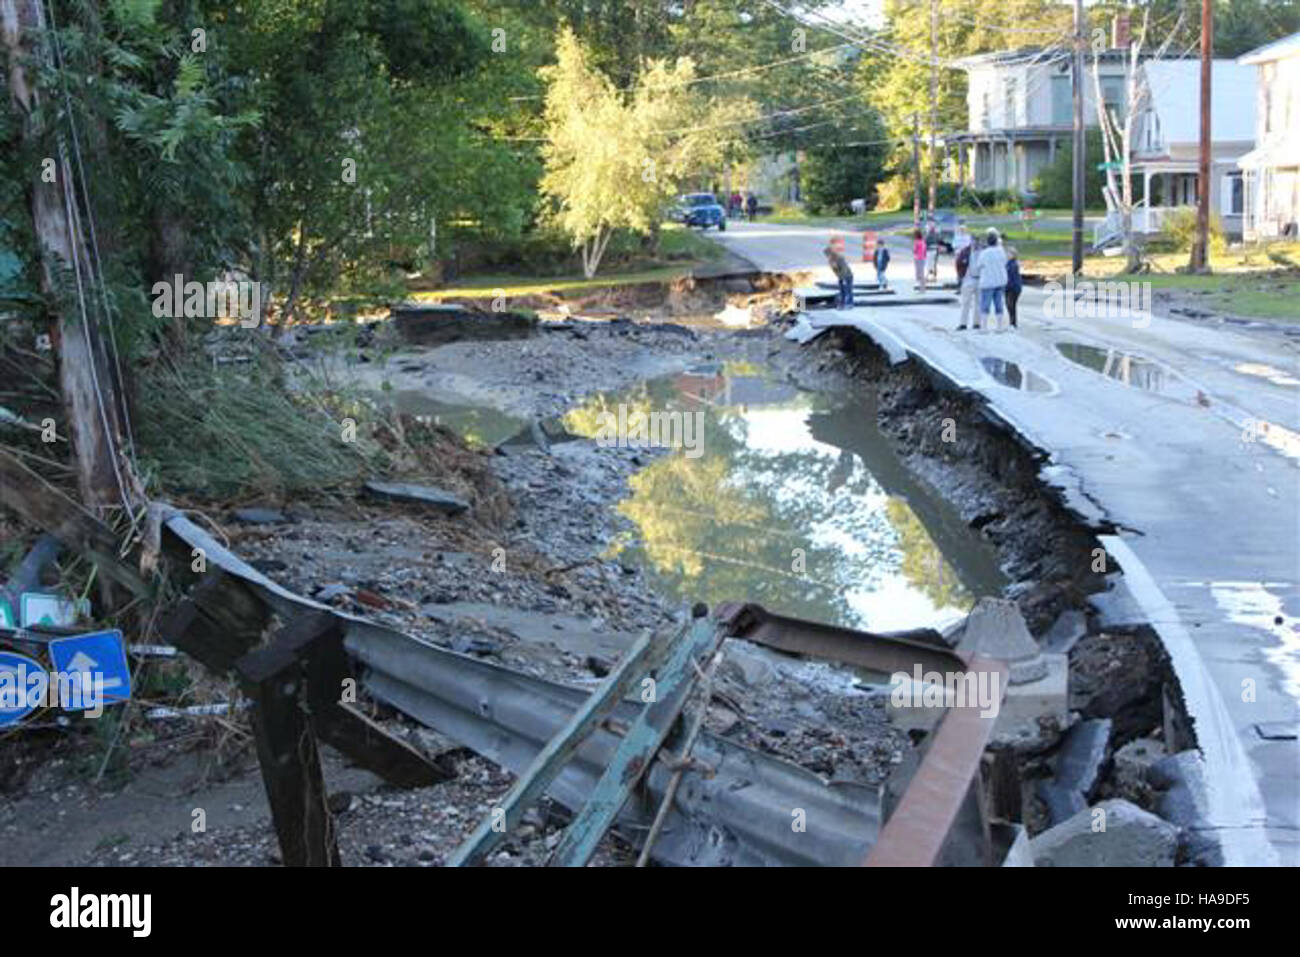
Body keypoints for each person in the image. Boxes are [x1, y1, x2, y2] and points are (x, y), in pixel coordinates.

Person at [976, 228, 1009, 331]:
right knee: (999, 303)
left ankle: (984, 326)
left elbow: (979, 265)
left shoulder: (984, 253)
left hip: (987, 281)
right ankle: (999, 326)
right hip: (1000, 280)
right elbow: (1005, 262)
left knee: (985, 304)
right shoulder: (1001, 251)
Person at [955, 236, 981, 330]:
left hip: (979, 279)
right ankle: (963, 323)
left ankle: (977, 323)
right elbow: (958, 263)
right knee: (966, 302)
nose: (975, 244)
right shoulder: (965, 251)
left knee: (979, 302)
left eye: (977, 242)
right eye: (973, 241)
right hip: (968, 278)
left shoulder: (983, 252)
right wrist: (961, 276)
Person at [824, 244, 854, 309]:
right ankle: (842, 304)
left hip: (847, 276)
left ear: (831, 253)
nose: (827, 256)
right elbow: (834, 270)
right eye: (826, 255)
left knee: (848, 290)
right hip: (840, 277)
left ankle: (850, 304)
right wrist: (839, 277)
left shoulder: (839, 257)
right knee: (842, 291)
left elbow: (844, 268)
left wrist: (843, 279)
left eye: (828, 254)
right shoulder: (830, 260)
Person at [1005, 245, 1022, 329]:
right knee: (1009, 305)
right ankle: (1012, 322)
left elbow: (1012, 277)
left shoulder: (1014, 264)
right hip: (1008, 287)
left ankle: (1013, 323)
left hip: (1013, 287)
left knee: (1011, 305)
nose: (1007, 255)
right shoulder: (1008, 263)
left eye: (1009, 253)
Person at [912, 228, 927, 293]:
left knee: (919, 274)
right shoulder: (923, 241)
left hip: (918, 258)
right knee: (921, 273)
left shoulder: (916, 242)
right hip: (923, 258)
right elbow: (924, 250)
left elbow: (914, 250)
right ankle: (922, 288)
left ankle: (922, 289)